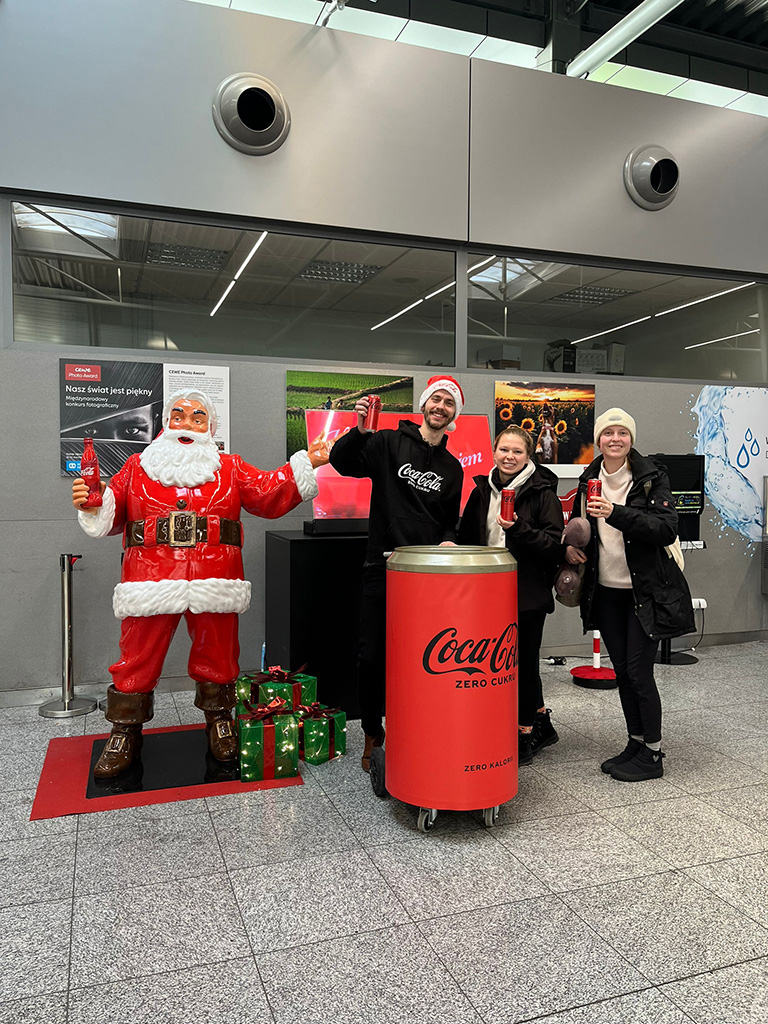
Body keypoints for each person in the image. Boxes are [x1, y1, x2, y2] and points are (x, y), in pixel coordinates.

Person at [73, 389, 329, 779]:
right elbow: (111, 513)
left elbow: (266, 493)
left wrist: (306, 462)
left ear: (211, 428)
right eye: (179, 416)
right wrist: (94, 502)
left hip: (215, 577)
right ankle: (125, 730)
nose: (187, 424)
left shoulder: (229, 467)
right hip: (150, 578)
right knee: (136, 657)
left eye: (197, 418)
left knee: (219, 654)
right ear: (166, 424)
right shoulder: (138, 466)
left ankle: (219, 720)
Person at [329, 375, 464, 772]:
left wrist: (449, 540)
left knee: (423, 659)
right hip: (382, 566)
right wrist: (359, 433)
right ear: (424, 404)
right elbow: (342, 463)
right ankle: (373, 731)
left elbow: (450, 522)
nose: (440, 407)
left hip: (427, 578)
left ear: (454, 413)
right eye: (435, 399)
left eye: (448, 403)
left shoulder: (453, 468)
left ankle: (417, 727)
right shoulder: (387, 443)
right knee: (372, 657)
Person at [565, 408, 694, 782]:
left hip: (644, 592)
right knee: (623, 672)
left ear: (631, 440)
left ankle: (652, 755)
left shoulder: (652, 476)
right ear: (599, 440)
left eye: (622, 433)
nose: (615, 439)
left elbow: (666, 528)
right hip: (606, 592)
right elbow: (581, 529)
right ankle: (635, 742)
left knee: (639, 673)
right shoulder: (589, 475)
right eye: (608, 433)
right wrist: (571, 550)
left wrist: (616, 512)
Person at [458, 425, 563, 764]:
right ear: (493, 451)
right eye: (504, 450)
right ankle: (541, 721)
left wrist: (518, 528)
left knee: (524, 664)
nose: (509, 457)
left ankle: (524, 735)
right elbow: (468, 539)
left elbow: (553, 546)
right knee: (497, 664)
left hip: (526, 593)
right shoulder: (481, 491)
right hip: (486, 594)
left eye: (517, 451)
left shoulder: (542, 492)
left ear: (528, 455)